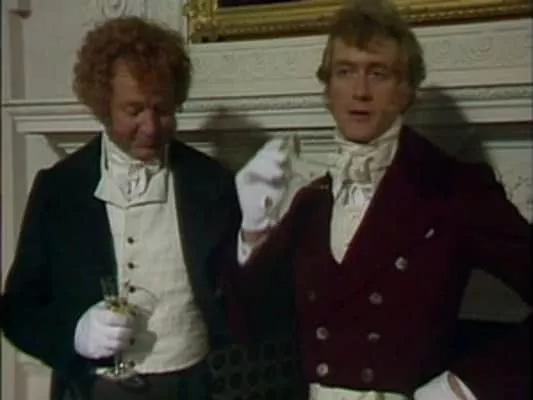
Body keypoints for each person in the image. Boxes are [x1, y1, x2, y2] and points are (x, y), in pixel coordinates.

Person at [229, 0, 531, 399]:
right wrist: (252, 229)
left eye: (378, 74)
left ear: (406, 91)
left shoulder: (452, 189)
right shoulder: (311, 201)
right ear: (328, 89)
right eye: (345, 72)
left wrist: (463, 388)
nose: (360, 91)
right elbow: (248, 323)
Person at [2, 16, 241, 400]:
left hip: (191, 387)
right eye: (134, 110)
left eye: (162, 110)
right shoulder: (60, 188)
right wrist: (74, 334)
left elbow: (243, 298)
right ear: (103, 105)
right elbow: (18, 310)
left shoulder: (212, 182)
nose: (151, 127)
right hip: (93, 390)